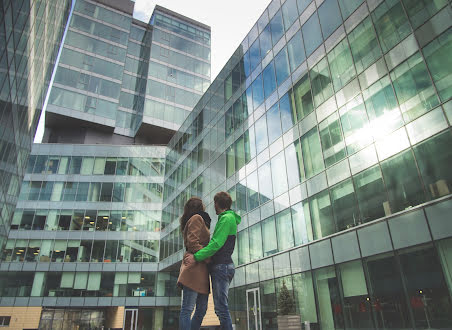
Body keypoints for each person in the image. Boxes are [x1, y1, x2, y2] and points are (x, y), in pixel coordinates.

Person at [184, 191, 241, 330]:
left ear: (217, 204)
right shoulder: (227, 218)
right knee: (218, 308)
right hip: (222, 266)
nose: (213, 207)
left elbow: (216, 244)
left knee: (221, 308)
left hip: (222, 266)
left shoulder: (226, 218)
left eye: (214, 203)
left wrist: (196, 257)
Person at [177, 197, 212, 330]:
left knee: (202, 309)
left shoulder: (196, 219)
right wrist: (208, 257)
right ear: (200, 207)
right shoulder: (197, 218)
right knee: (188, 308)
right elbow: (192, 243)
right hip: (195, 268)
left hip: (201, 268)